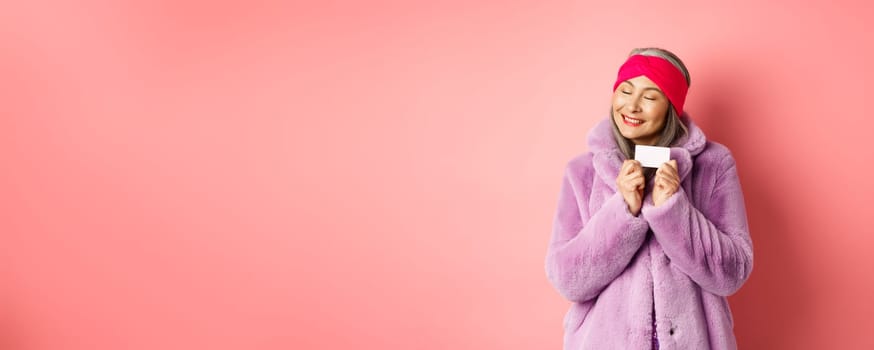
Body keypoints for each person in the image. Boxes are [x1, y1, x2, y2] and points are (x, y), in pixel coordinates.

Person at [544, 48, 753, 349]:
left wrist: (674, 209)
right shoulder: (582, 171)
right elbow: (566, 278)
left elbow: (733, 272)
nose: (632, 105)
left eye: (650, 96)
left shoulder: (715, 164)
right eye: (625, 91)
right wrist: (622, 212)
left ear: (671, 106)